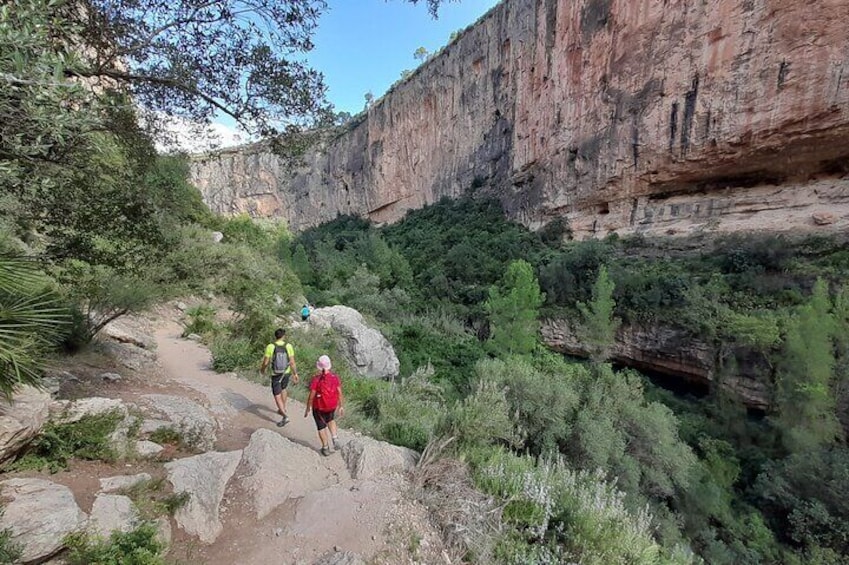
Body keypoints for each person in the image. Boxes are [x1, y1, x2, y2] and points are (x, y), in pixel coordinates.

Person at [304, 354, 344, 456]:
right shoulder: (335, 378)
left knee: (321, 426)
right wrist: (341, 406)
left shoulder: (316, 379)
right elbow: (339, 392)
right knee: (331, 419)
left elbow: (312, 395)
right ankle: (335, 438)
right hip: (331, 406)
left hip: (319, 407)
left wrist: (308, 407)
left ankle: (325, 448)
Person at [259, 328, 299, 427]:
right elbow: (292, 362)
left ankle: (285, 416)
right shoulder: (288, 346)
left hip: (276, 373)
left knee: (277, 394)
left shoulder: (270, 346)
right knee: (283, 389)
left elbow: (266, 361)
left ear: (275, 336)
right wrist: (295, 374)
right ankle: (282, 408)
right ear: (283, 336)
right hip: (286, 372)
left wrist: (262, 369)